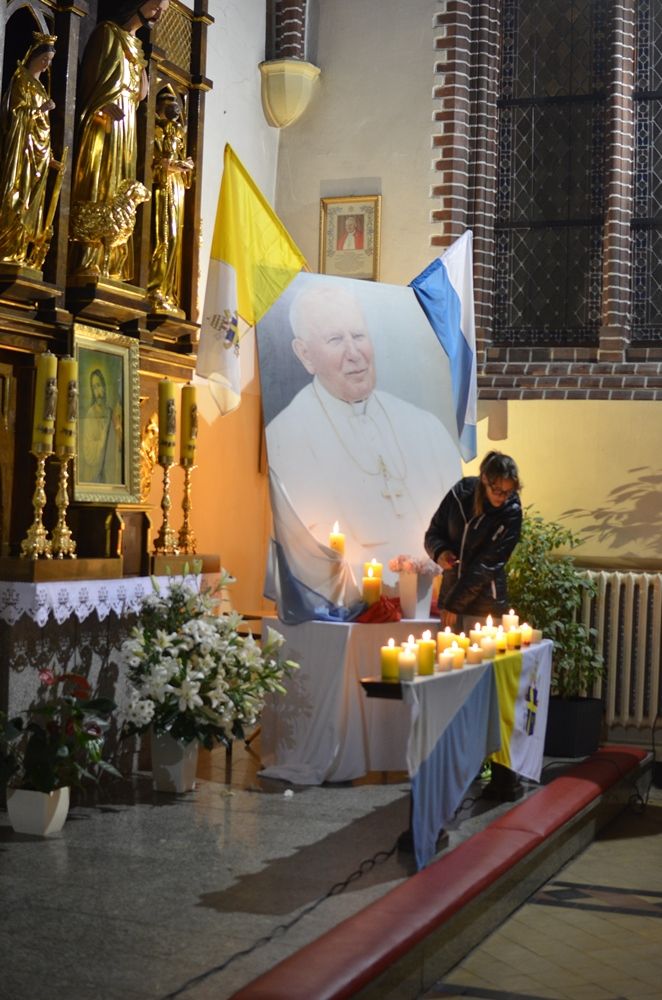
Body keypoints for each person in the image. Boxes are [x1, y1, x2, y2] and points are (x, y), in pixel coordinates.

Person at [265, 283, 460, 583]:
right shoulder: (286, 437)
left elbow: (461, 525)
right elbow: (306, 555)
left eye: (358, 336)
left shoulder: (426, 427)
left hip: (433, 596)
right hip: (355, 600)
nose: (354, 353)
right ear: (305, 354)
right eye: (335, 340)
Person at [69, 1, 169, 280]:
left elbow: (142, 94)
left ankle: (111, 260)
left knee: (120, 186)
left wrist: (142, 64)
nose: (159, 13)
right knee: (99, 182)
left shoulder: (137, 46)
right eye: (156, 5)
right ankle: (87, 257)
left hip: (127, 124)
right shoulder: (107, 33)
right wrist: (100, 105)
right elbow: (89, 80)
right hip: (104, 122)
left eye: (163, 9)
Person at [424, 450, 522, 630]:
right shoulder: (460, 494)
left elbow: (486, 565)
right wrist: (440, 552)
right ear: (484, 479)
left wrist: (454, 603)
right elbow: (433, 532)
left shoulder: (511, 512)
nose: (502, 497)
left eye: (508, 492)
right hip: (450, 594)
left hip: (486, 605)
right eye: (497, 490)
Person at [0, 33, 59, 265]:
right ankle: (7, 249)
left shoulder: (41, 87)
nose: (46, 64)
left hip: (39, 154)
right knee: (17, 195)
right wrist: (40, 110)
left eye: (50, 61)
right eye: (44, 59)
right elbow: (15, 114)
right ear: (33, 56)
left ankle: (22, 250)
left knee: (33, 201)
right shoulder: (22, 80)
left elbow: (45, 127)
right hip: (22, 150)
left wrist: (50, 156)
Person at [147, 86, 194, 314]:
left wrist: (185, 166)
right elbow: (152, 163)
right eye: (168, 103)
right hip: (162, 188)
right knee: (163, 237)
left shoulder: (176, 133)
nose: (174, 108)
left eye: (175, 104)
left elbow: (184, 166)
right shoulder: (155, 130)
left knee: (175, 239)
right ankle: (154, 288)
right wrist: (170, 165)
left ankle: (167, 291)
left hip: (176, 188)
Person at [80, 368, 123, 484]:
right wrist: (103, 437)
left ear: (104, 386)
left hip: (110, 471)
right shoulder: (91, 413)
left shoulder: (110, 412)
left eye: (99, 385)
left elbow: (118, 444)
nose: (98, 392)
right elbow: (88, 451)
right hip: (94, 474)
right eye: (94, 387)